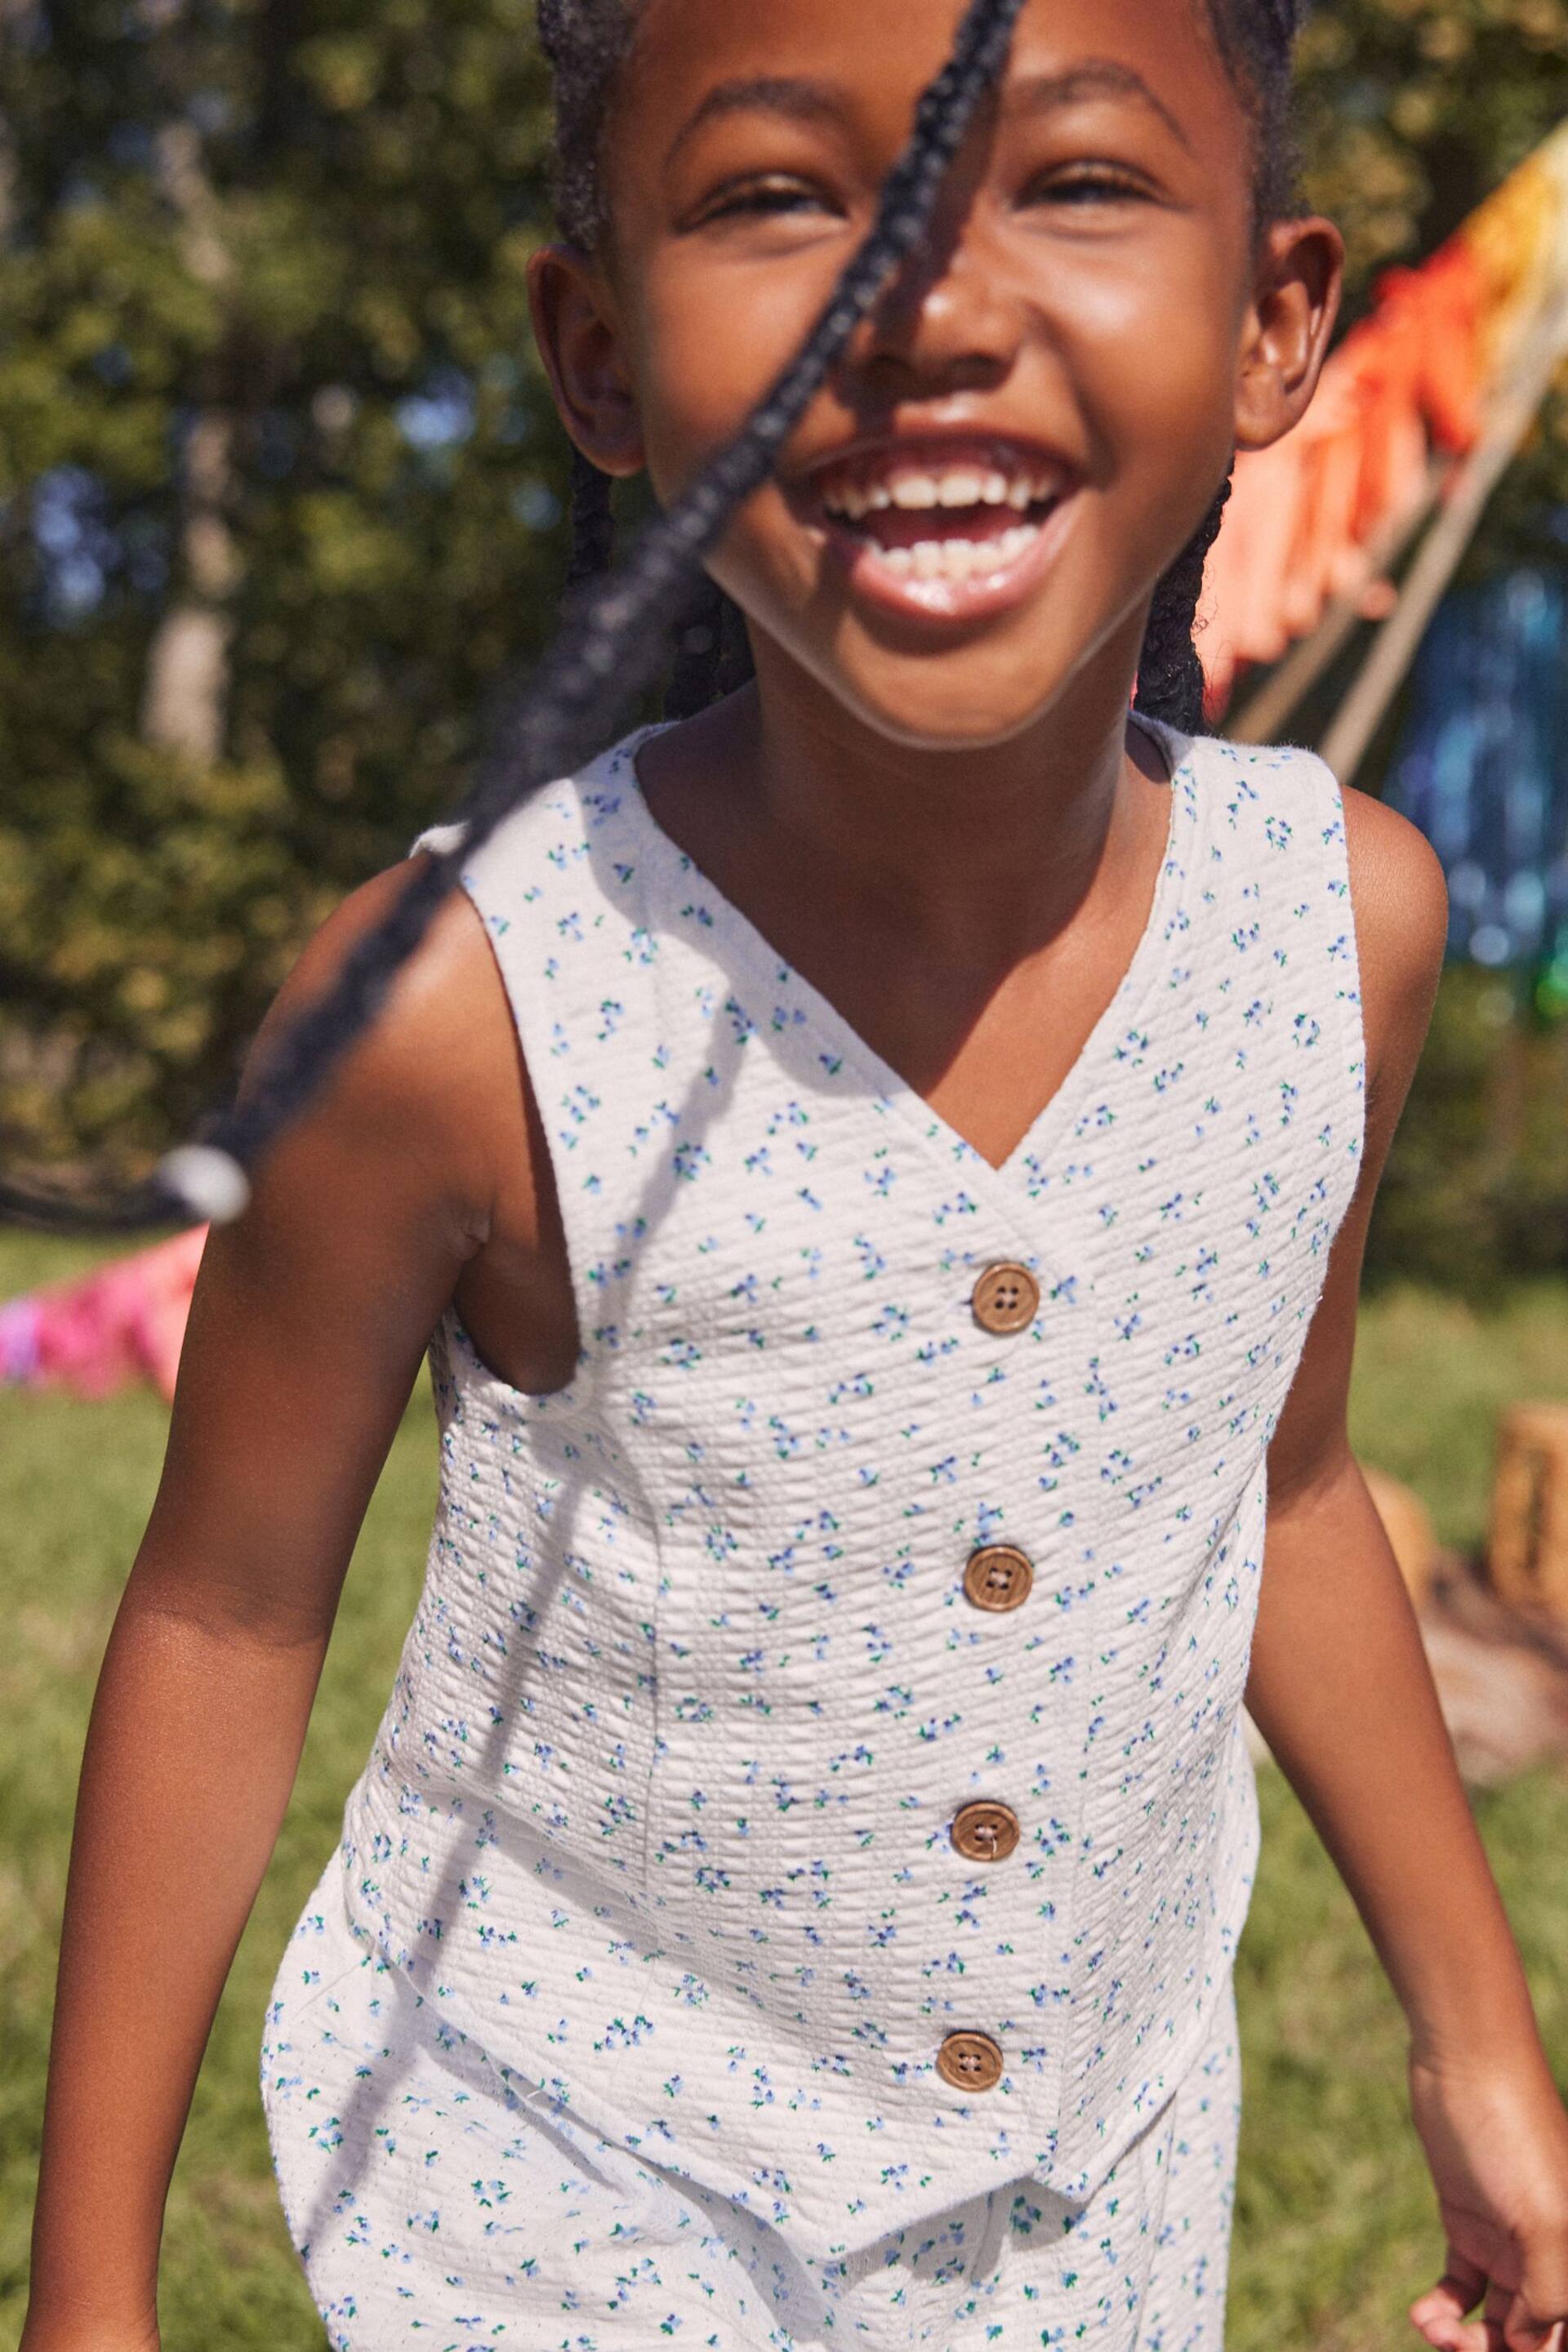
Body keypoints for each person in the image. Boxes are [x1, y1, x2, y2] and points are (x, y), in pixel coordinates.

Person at [23, 2, 1568, 2347]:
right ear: (598, 355)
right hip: (555, 2206)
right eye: (774, 198)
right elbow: (229, 1616)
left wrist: (1477, 2044)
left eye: (1072, 183)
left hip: (1096, 2209)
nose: (926, 313)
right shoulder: (461, 1001)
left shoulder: (1338, 928)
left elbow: (1288, 1476)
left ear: (1277, 326)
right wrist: (89, 2297)